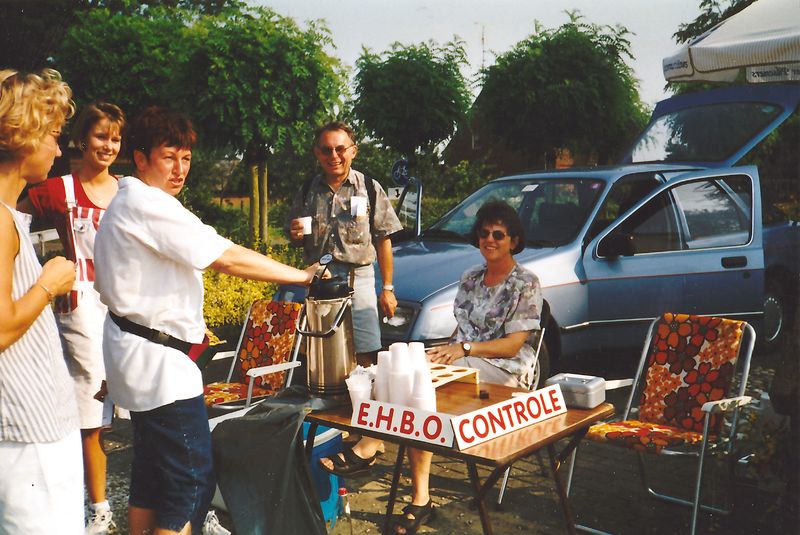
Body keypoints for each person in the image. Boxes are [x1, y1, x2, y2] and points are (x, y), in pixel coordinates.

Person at [93, 107, 322, 535]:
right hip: (159, 365)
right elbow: (226, 257)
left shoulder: (127, 202)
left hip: (137, 355)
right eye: (168, 157)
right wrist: (300, 276)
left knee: (152, 474)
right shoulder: (148, 204)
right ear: (140, 158)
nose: (179, 169)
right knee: (191, 483)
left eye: (186, 158)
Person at [397, 200, 543, 534]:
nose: (489, 240)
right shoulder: (471, 278)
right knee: (407, 367)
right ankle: (395, 467)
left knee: (420, 388)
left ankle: (413, 491)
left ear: (514, 241)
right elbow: (460, 330)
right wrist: (444, 352)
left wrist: (463, 350)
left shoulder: (526, 282)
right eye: (484, 233)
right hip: (466, 358)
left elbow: (512, 345)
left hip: (506, 370)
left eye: (498, 234)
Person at [19, 101, 125, 534]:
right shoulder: (58, 188)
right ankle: (100, 507)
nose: (109, 146)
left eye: (116, 139)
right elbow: (14, 217)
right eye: (101, 136)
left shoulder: (127, 190)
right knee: (91, 414)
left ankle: (154, 498)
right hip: (81, 310)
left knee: (138, 407)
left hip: (125, 304)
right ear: (81, 140)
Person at [286, 120, 402, 476]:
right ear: (316, 153)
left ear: (353, 150)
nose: (333, 155)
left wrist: (387, 288)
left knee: (366, 354)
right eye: (326, 149)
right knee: (325, 357)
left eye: (340, 148)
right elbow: (295, 235)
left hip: (358, 277)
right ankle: (341, 427)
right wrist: (294, 234)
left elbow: (384, 238)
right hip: (320, 280)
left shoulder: (369, 187)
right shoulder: (307, 190)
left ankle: (370, 433)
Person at [0, 69, 83, 533]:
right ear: (23, 136)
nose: (58, 149)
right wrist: (48, 284)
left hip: (30, 429)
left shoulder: (9, 216)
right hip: (27, 432)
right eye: (53, 135)